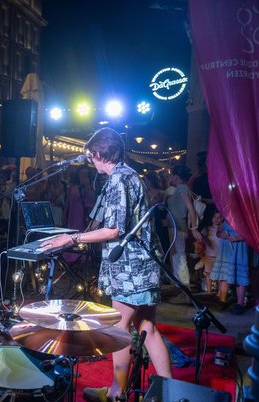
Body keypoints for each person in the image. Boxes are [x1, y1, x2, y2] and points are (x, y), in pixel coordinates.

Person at [40, 128, 172, 402]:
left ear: (100, 153)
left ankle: (116, 393)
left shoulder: (118, 179)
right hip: (142, 265)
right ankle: (170, 393)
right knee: (147, 327)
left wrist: (72, 238)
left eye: (91, 156)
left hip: (130, 269)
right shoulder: (129, 175)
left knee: (118, 329)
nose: (90, 162)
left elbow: (113, 230)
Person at [166, 165, 199, 287]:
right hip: (176, 226)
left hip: (178, 226)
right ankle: (179, 285)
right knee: (177, 255)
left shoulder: (181, 188)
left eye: (172, 175)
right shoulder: (181, 188)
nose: (170, 177)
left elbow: (190, 208)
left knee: (179, 256)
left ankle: (183, 286)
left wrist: (194, 228)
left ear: (177, 176)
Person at [210, 218, 250, 314]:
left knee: (239, 276)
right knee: (224, 274)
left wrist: (238, 238)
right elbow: (218, 232)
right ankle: (222, 300)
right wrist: (221, 234)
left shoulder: (244, 217)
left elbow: (251, 234)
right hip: (226, 247)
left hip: (239, 247)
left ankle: (240, 304)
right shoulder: (225, 217)